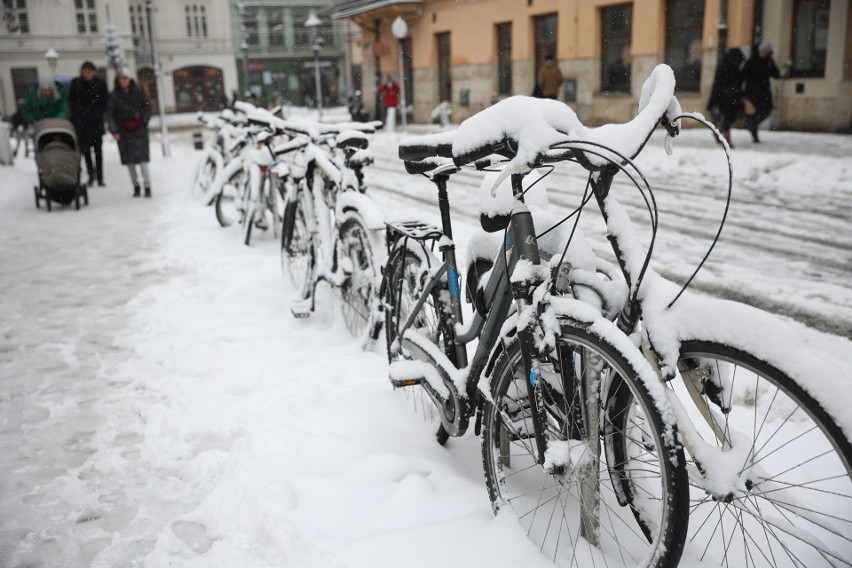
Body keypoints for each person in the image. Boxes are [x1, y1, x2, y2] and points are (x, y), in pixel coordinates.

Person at [106, 67, 152, 198]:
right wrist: (114, 131)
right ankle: (136, 185)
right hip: (124, 131)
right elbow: (110, 114)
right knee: (130, 161)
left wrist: (143, 122)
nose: (123, 81)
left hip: (138, 129)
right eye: (120, 78)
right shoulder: (114, 95)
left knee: (142, 159)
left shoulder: (138, 91)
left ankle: (147, 185)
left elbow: (147, 107)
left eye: (125, 78)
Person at [68, 61, 108, 187]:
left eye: (89, 71)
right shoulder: (76, 83)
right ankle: (91, 176)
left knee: (98, 152)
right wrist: (78, 115)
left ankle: (100, 177)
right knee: (86, 153)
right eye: (84, 71)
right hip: (82, 124)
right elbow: (71, 102)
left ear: (94, 72)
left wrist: (95, 112)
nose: (87, 74)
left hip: (95, 123)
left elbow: (104, 102)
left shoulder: (100, 84)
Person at [741, 39, 780, 143]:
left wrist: (778, 69)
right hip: (751, 92)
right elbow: (743, 75)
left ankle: (752, 125)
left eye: (765, 52)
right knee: (751, 113)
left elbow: (776, 74)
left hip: (765, 91)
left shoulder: (769, 62)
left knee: (767, 110)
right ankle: (754, 134)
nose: (763, 53)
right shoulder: (751, 61)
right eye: (762, 51)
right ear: (758, 51)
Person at [707, 48, 745, 147]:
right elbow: (718, 85)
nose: (737, 62)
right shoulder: (724, 68)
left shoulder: (736, 69)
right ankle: (727, 139)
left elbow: (738, 83)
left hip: (733, 99)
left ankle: (718, 133)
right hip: (723, 99)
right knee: (728, 118)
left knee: (731, 118)